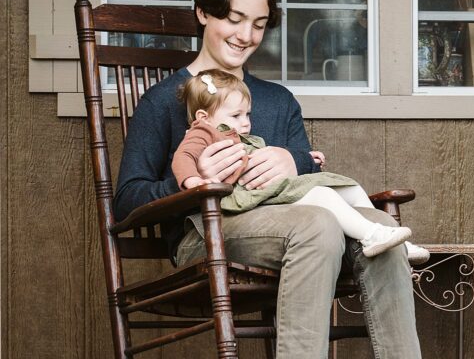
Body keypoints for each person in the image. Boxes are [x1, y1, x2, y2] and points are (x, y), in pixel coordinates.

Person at [113, 0, 449, 359]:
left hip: (286, 228)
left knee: (378, 225)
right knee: (316, 223)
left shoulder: (276, 101)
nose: (246, 34)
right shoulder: (166, 101)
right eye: (234, 18)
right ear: (203, 13)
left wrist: (290, 160)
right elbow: (128, 199)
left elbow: (307, 185)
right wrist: (197, 176)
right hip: (205, 236)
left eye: (259, 23)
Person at [171, 69, 430, 263]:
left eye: (247, 114)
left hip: (273, 191)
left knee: (350, 188)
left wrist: (304, 158)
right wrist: (194, 181)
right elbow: (183, 158)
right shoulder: (202, 132)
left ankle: (392, 244)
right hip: (249, 199)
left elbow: (269, 159)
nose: (246, 122)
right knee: (323, 195)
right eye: (236, 116)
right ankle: (371, 236)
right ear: (203, 117)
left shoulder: (238, 135)